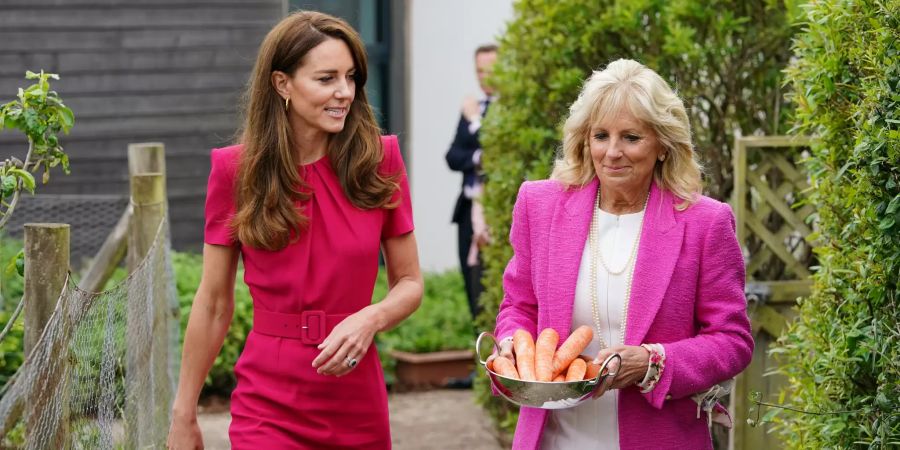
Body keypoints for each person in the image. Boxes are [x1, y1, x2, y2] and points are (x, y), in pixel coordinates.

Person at [166, 11, 423, 449]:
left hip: (355, 393)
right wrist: (183, 413)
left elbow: (410, 282)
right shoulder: (235, 171)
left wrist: (370, 318)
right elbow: (212, 303)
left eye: (351, 77)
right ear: (282, 84)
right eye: (326, 79)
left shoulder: (379, 161)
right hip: (268, 400)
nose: (344, 92)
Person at [492, 59, 753, 449]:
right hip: (555, 437)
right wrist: (514, 342)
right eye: (601, 135)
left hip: (659, 436)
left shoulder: (705, 222)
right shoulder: (540, 205)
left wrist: (653, 361)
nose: (612, 152)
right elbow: (519, 305)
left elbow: (732, 340)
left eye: (631, 137)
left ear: (663, 145)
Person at [446, 44, 498, 321]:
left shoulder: (509, 110)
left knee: (496, 287)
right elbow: (453, 156)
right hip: (468, 208)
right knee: (472, 286)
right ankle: (479, 348)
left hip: (497, 211)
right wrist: (478, 156)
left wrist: (475, 121)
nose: (484, 76)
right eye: (479, 70)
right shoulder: (473, 107)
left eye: (490, 70)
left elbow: (499, 151)